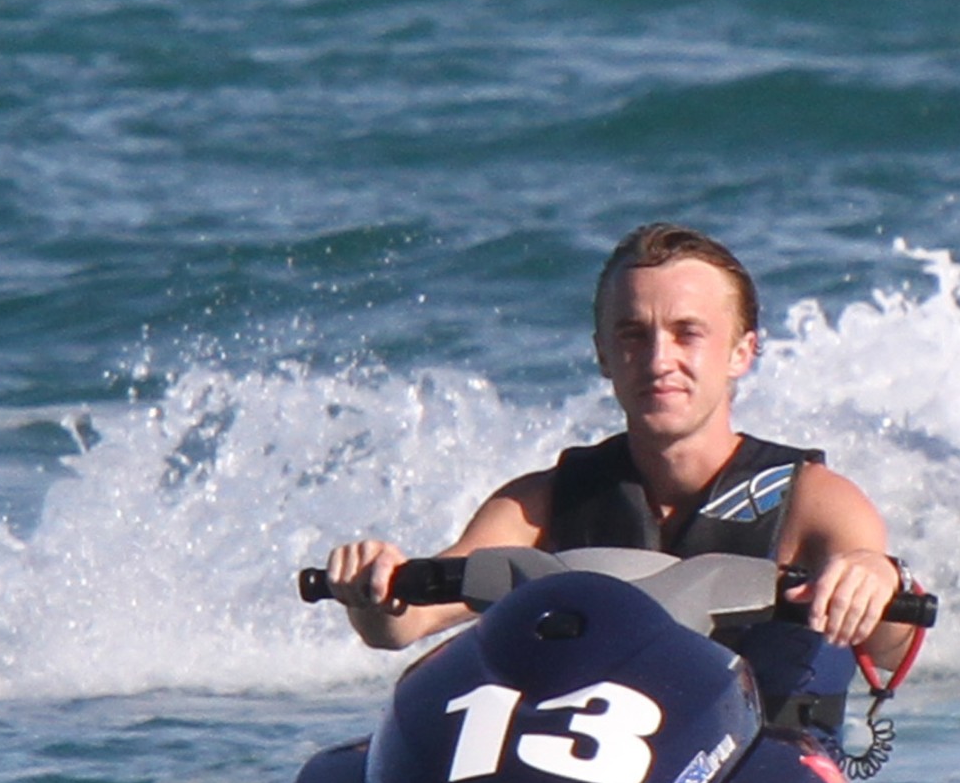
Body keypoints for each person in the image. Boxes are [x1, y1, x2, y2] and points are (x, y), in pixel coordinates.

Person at [320, 219, 917, 688]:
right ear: (604, 354)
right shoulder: (541, 506)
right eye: (632, 335)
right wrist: (374, 586)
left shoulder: (813, 501)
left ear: (742, 352)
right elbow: (404, 625)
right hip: (597, 776)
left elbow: (891, 647)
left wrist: (877, 578)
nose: (658, 360)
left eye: (687, 333)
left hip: (764, 779)